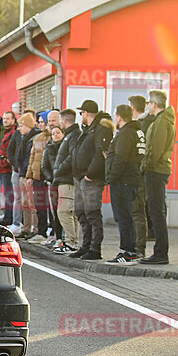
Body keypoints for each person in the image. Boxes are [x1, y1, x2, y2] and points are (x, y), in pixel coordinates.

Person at [69, 100, 113, 260]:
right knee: (81, 212)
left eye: (81, 113)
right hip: (81, 177)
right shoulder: (89, 129)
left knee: (92, 213)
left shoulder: (101, 129)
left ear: (86, 113)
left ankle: (95, 249)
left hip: (91, 179)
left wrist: (90, 174)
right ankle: (85, 246)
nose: (81, 116)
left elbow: (100, 153)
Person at [139, 89, 176, 265]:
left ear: (153, 104)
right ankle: (160, 252)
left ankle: (161, 253)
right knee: (157, 211)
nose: (148, 106)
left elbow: (155, 149)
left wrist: (146, 167)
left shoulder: (161, 122)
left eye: (148, 103)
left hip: (156, 171)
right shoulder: (163, 120)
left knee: (156, 212)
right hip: (159, 170)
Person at [105, 104, 145, 264]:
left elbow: (121, 158)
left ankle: (127, 252)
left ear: (119, 117)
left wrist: (112, 176)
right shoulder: (137, 131)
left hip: (123, 181)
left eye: (115, 115)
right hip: (131, 179)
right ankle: (131, 251)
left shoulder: (126, 133)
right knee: (127, 216)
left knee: (123, 217)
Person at [52, 109, 81, 254]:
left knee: (64, 211)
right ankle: (72, 242)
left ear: (64, 121)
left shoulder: (73, 136)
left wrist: (59, 170)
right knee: (71, 212)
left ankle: (71, 242)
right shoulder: (71, 135)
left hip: (67, 179)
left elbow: (71, 157)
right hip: (66, 178)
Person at [127, 95, 152, 256]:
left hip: (138, 175)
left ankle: (138, 248)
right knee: (137, 211)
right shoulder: (146, 124)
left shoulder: (141, 126)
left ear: (132, 108)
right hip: (139, 174)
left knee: (137, 211)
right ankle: (136, 247)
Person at [25, 125, 52, 243]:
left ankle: (53, 233)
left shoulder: (56, 136)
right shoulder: (38, 138)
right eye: (40, 122)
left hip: (50, 177)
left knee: (53, 207)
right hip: (38, 177)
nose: (42, 125)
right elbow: (32, 158)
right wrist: (29, 175)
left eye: (44, 122)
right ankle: (41, 232)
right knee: (39, 205)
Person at [18, 112, 42, 238]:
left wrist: (30, 175)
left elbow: (32, 159)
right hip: (23, 172)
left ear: (27, 125)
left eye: (21, 126)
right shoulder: (24, 138)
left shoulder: (34, 138)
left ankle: (36, 228)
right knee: (25, 203)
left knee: (32, 204)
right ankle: (26, 228)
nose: (19, 129)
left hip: (29, 175)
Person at [41, 125, 65, 247]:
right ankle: (57, 236)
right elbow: (44, 166)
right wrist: (50, 178)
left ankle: (65, 238)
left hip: (64, 182)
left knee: (64, 211)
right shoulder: (49, 148)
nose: (55, 135)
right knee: (54, 212)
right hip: (52, 183)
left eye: (58, 133)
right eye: (53, 133)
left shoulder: (66, 147)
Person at [0, 111, 16, 226]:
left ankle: (9, 217)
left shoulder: (12, 133)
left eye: (8, 118)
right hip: (3, 168)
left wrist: (5, 162)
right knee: (8, 194)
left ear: (13, 120)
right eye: (4, 118)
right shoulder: (6, 132)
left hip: (7, 169)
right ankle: (7, 216)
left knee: (9, 194)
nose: (5, 120)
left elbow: (9, 150)